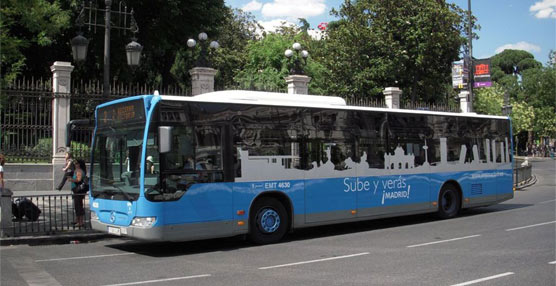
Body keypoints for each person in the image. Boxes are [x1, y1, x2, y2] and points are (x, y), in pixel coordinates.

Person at [68, 159, 86, 227]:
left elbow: (78, 180)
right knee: (77, 205)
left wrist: (71, 179)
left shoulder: (79, 171)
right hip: (76, 190)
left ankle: (80, 222)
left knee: (78, 206)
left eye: (76, 163)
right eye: (75, 163)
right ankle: (77, 220)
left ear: (79, 164)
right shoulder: (77, 170)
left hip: (78, 191)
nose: (75, 165)